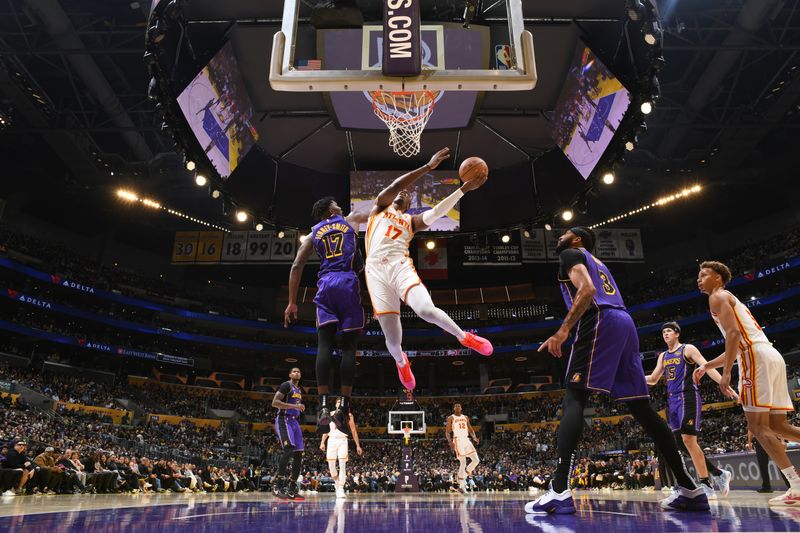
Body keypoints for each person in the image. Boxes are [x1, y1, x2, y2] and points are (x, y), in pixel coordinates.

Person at [527, 227, 708, 514]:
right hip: (624, 323)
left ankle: (559, 489)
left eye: (565, 233)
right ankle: (689, 489)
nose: (559, 236)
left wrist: (563, 331)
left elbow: (586, 290)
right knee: (641, 408)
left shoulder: (569, 253)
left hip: (600, 319)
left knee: (575, 395)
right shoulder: (599, 263)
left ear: (577, 239)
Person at [363, 147, 493, 390]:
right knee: (392, 339)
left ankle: (464, 337)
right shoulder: (379, 208)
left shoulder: (411, 221)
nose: (404, 192)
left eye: (408, 194)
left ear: (411, 203)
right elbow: (395, 185)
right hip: (376, 274)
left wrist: (463, 189)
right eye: (401, 192)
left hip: (400, 267)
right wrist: (428, 167)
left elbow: (435, 213)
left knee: (425, 309)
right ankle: (401, 362)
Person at [693, 260, 800, 506]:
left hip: (754, 358)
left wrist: (728, 372)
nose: (699, 279)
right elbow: (737, 342)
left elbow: (734, 336)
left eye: (704, 274)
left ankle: (796, 485)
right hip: (769, 355)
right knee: (779, 426)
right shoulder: (727, 298)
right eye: (698, 276)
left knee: (758, 426)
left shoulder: (717, 297)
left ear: (718, 278)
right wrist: (708, 365)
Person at [285, 197, 368, 426]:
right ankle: (343, 408)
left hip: (326, 285)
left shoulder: (314, 233)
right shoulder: (351, 220)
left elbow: (296, 265)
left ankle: (322, 407)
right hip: (348, 283)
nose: (340, 206)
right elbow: (380, 212)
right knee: (349, 349)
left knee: (324, 345)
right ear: (332, 209)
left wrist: (292, 302)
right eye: (337, 204)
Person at [645, 321, 733, 498]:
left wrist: (724, 383)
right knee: (682, 444)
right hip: (672, 401)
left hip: (688, 396)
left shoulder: (688, 349)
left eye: (669, 331)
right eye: (663, 332)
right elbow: (654, 379)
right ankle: (718, 474)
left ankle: (706, 484)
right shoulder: (663, 356)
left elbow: (706, 366)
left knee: (688, 439)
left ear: (677, 333)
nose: (666, 334)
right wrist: (633, 378)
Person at [272, 367, 306, 501]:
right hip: (284, 419)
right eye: (294, 371)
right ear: (290, 374)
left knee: (299, 454)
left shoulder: (299, 390)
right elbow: (274, 402)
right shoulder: (287, 385)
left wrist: (299, 408)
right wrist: (295, 407)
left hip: (295, 422)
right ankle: (277, 485)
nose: (297, 372)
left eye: (299, 371)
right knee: (289, 449)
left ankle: (292, 489)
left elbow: (296, 405)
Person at [320, 397, 363, 499]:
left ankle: (341, 488)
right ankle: (337, 483)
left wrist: (358, 445)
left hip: (343, 440)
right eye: (338, 402)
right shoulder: (330, 414)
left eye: (341, 402)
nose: (340, 403)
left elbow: (353, 431)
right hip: (331, 440)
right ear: (336, 404)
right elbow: (326, 430)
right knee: (331, 466)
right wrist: (322, 442)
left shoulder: (348, 416)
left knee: (342, 465)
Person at [446, 403, 480, 494]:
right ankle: (461, 486)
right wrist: (450, 442)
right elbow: (447, 432)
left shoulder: (465, 417)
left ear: (461, 408)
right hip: (458, 440)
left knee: (476, 460)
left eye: (459, 406)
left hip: (466, 439)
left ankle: (461, 479)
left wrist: (474, 437)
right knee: (463, 462)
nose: (457, 407)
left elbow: (470, 428)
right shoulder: (451, 418)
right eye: (456, 406)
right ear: (454, 408)